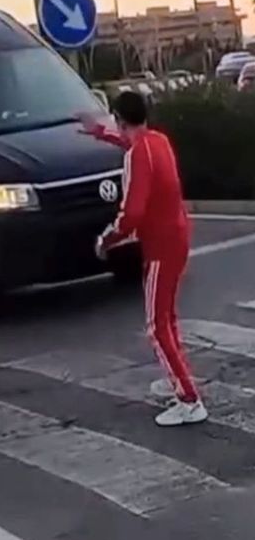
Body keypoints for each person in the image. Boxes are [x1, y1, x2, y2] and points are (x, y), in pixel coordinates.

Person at [81, 91, 204, 426]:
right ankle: (178, 378)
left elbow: (131, 213)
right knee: (168, 317)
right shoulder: (157, 141)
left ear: (120, 119)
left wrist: (107, 239)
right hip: (177, 236)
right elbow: (134, 150)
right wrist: (102, 135)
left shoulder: (138, 154)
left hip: (160, 245)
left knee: (156, 325)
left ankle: (189, 399)